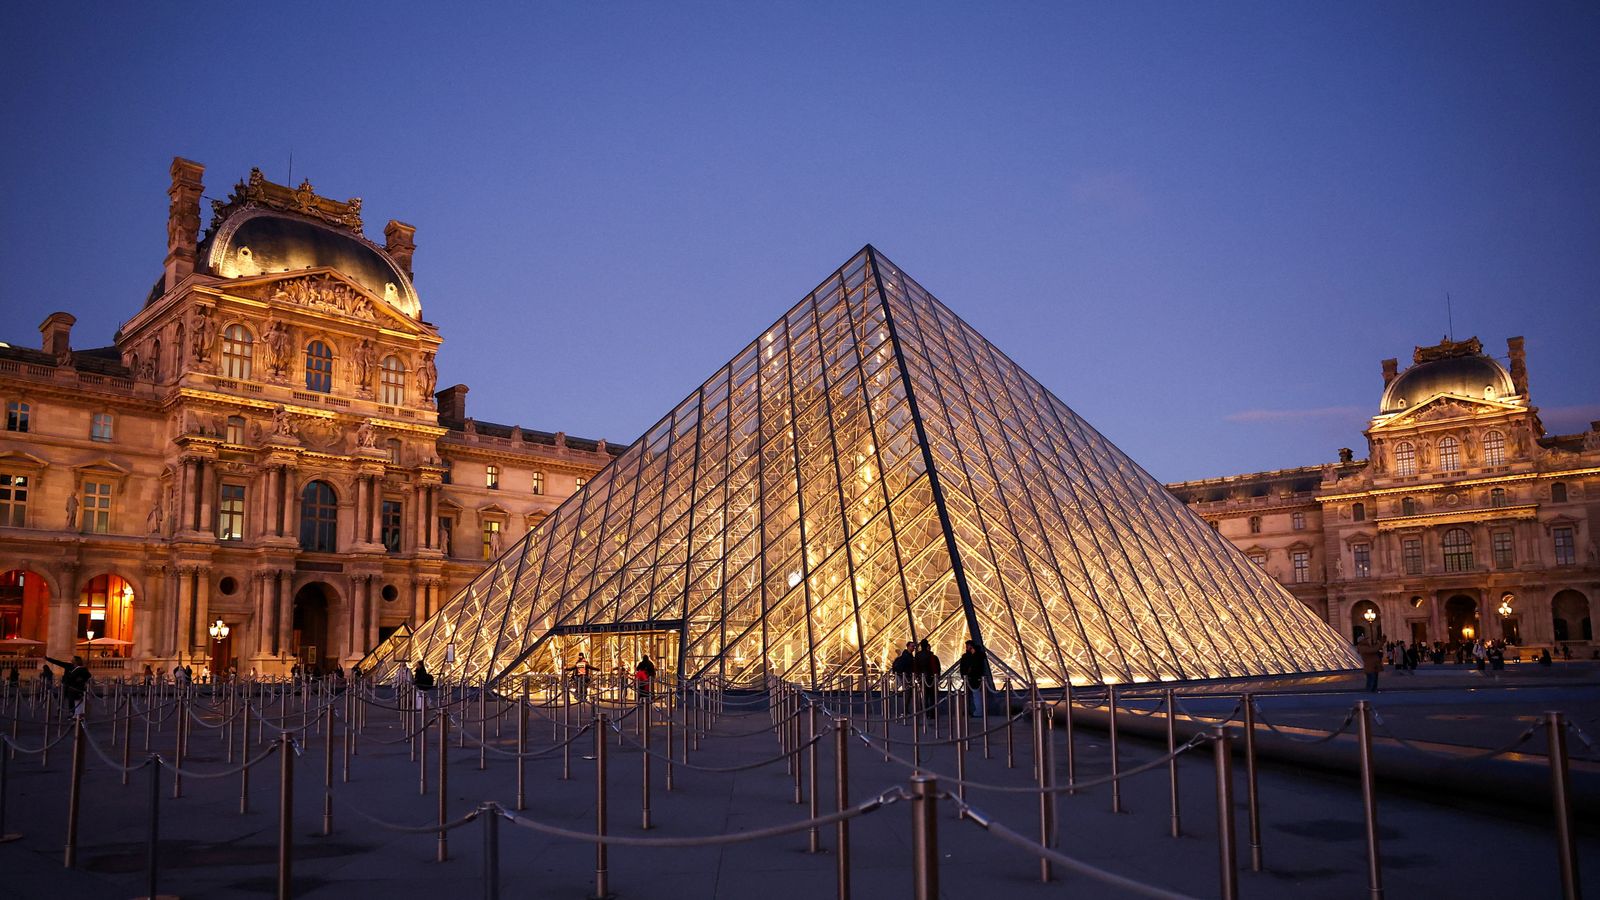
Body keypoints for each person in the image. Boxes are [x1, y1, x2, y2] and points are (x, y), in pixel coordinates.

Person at [957, 640, 989, 717]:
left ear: (971, 646)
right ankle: (974, 711)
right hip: (971, 678)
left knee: (974, 695)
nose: (966, 647)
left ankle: (976, 711)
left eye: (968, 646)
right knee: (973, 696)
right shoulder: (976, 656)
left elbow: (965, 667)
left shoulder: (974, 656)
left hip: (972, 678)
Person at [913, 639, 940, 718]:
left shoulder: (918, 655)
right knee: (932, 696)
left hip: (922, 678)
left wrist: (917, 676)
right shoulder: (931, 655)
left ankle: (925, 712)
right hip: (931, 678)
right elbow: (936, 667)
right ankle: (932, 714)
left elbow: (915, 667)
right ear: (927, 645)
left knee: (924, 696)